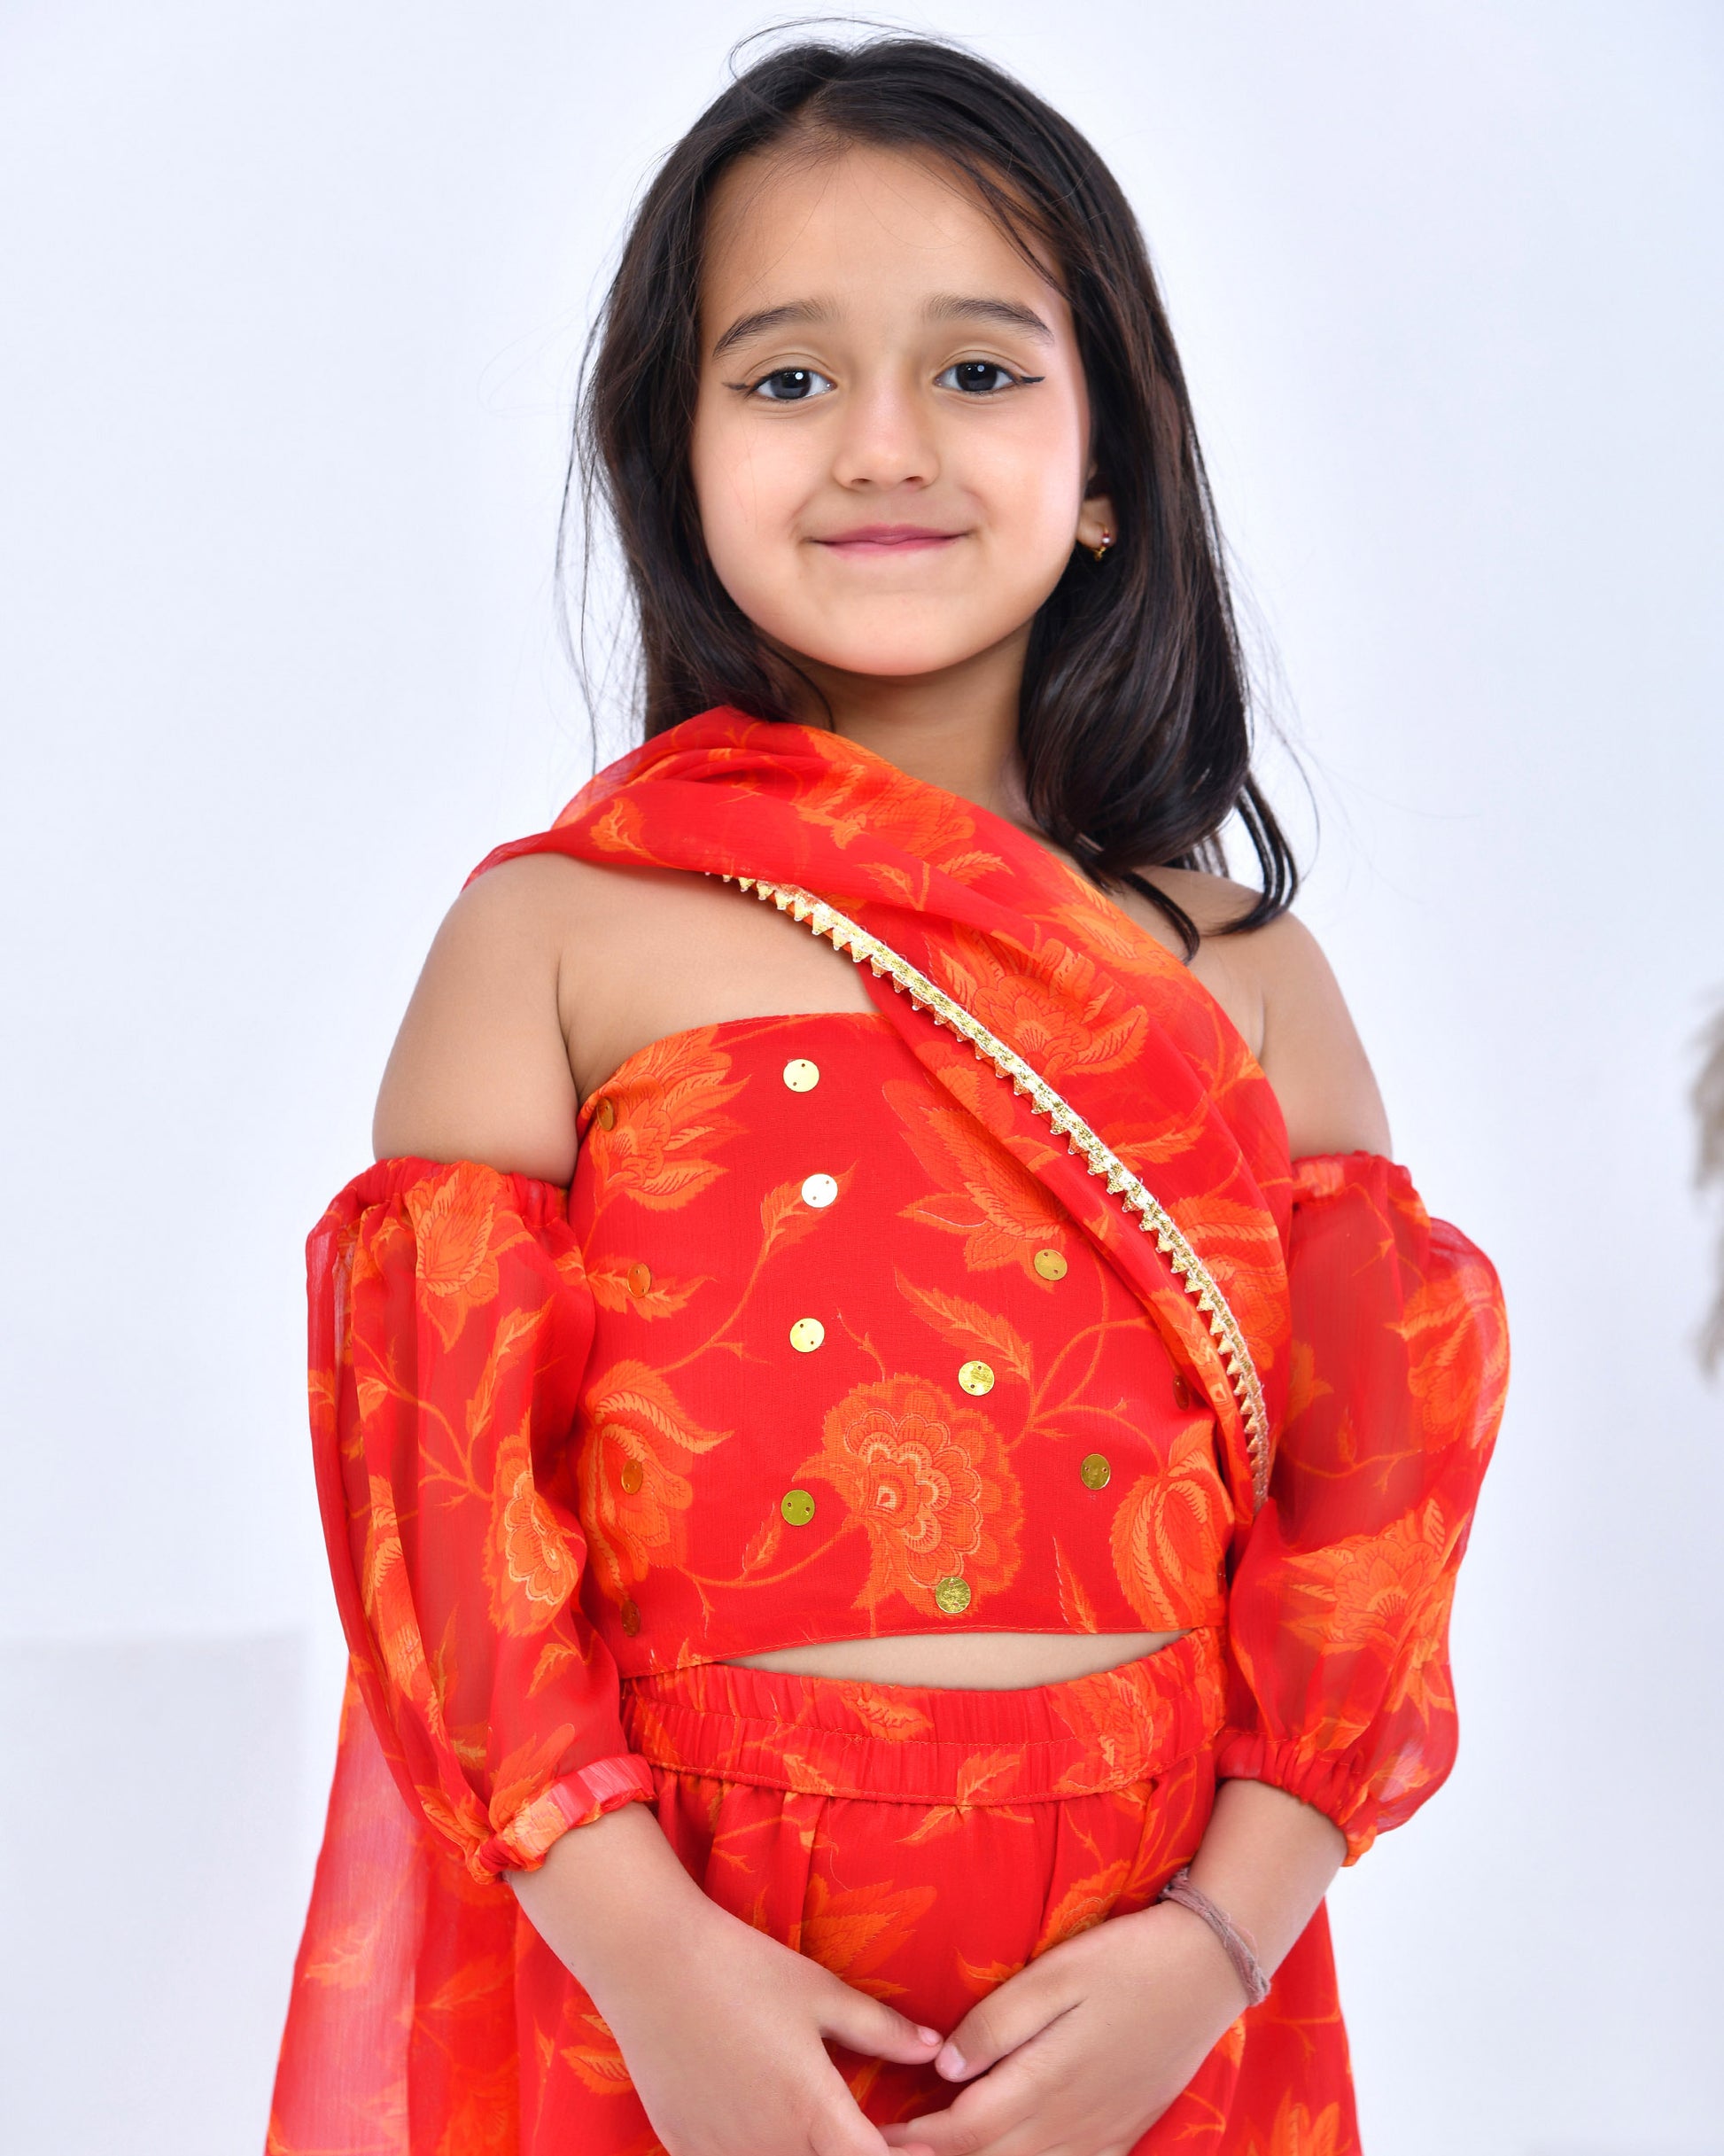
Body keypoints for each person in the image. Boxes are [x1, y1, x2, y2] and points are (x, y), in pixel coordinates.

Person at [268, 35, 1508, 2156]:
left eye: (978, 369)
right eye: (785, 377)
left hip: (1141, 1987)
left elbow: (1369, 1518)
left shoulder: (1247, 981)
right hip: (679, 1973)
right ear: (671, 459)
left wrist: (1212, 1947)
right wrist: (657, 1967)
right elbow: (447, 1522)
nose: (880, 444)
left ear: (1108, 465)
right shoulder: (553, 940)